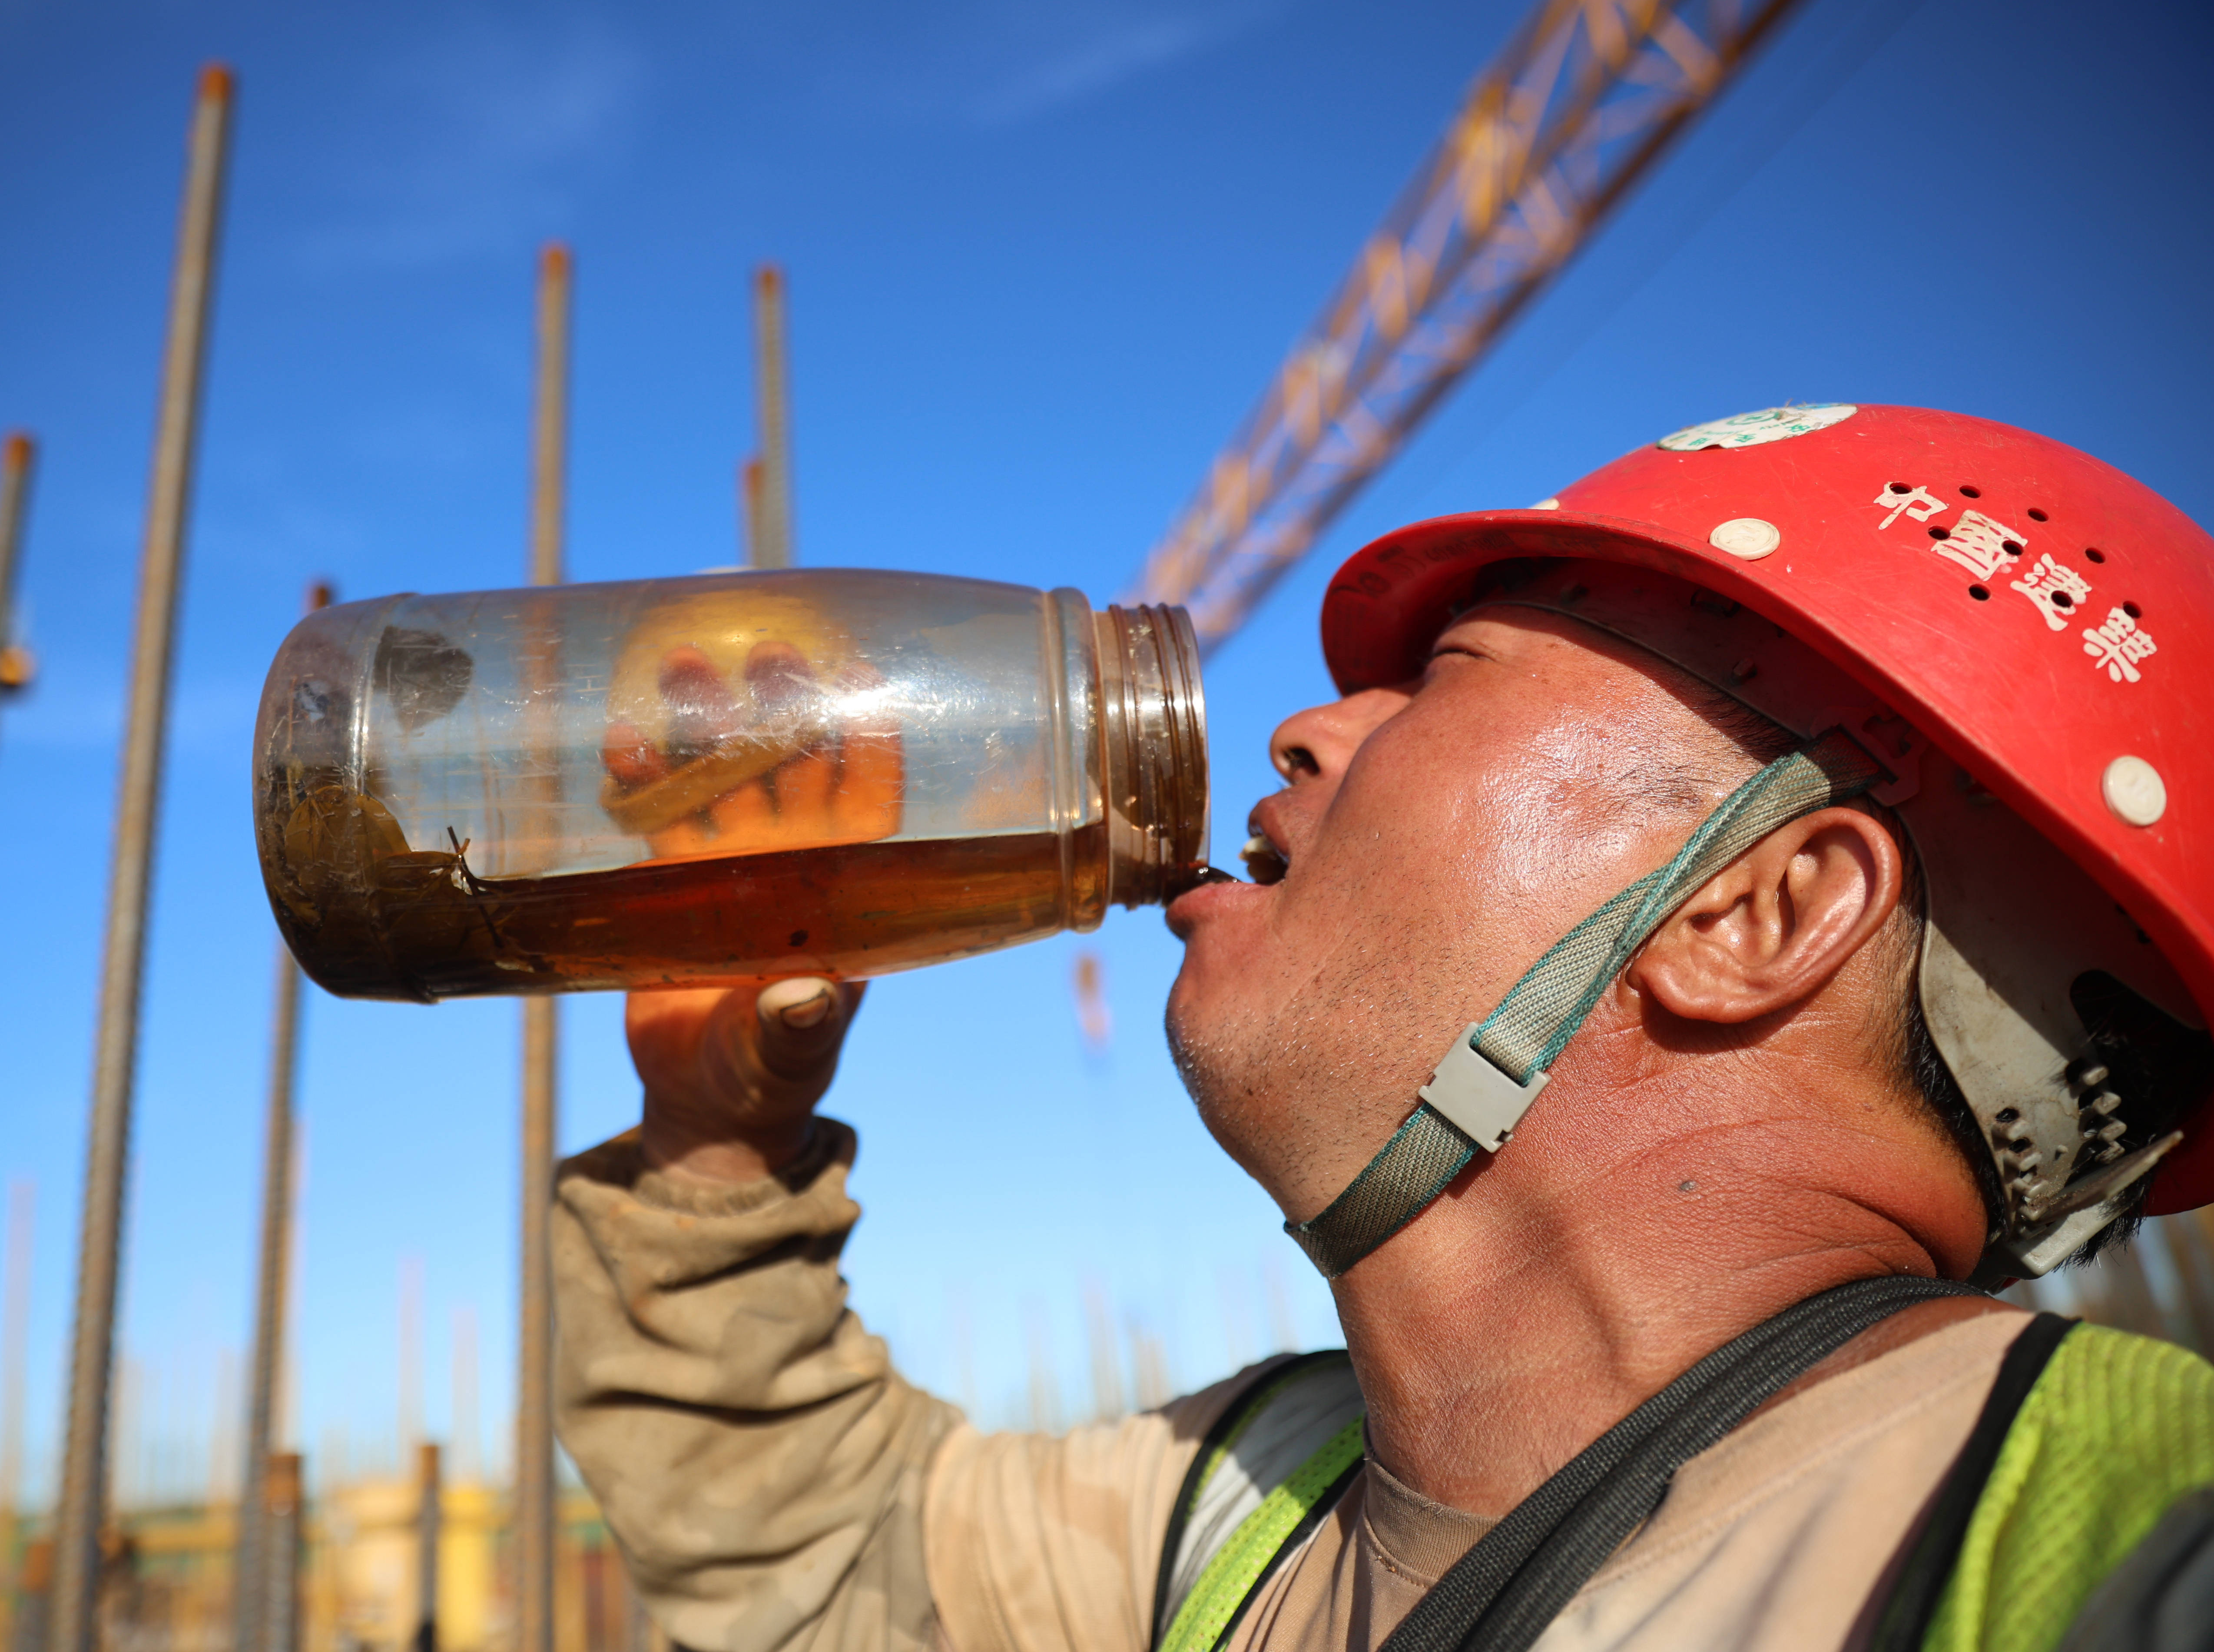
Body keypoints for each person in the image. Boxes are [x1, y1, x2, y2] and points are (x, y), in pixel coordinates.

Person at [547, 405, 2214, 1652]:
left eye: (1450, 677)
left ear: (1751, 915)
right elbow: (829, 1555)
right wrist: (711, 1142)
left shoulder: (2137, 1552)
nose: (1302, 725)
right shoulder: (1241, 1501)